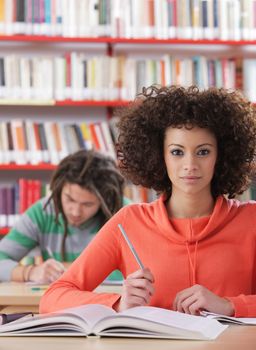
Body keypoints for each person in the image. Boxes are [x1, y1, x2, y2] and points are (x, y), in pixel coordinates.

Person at [40, 85, 256, 318]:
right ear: (158, 155)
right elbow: (53, 297)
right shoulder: (129, 222)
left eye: (203, 152)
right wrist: (118, 303)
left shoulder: (251, 220)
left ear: (221, 155)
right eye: (177, 152)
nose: (190, 165)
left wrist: (230, 306)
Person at [0, 149, 131, 283]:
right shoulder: (42, 212)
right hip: (60, 300)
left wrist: (69, 270)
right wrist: (30, 272)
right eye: (70, 199)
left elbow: (143, 269)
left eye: (87, 204)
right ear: (58, 188)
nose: (75, 212)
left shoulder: (126, 214)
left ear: (105, 200)